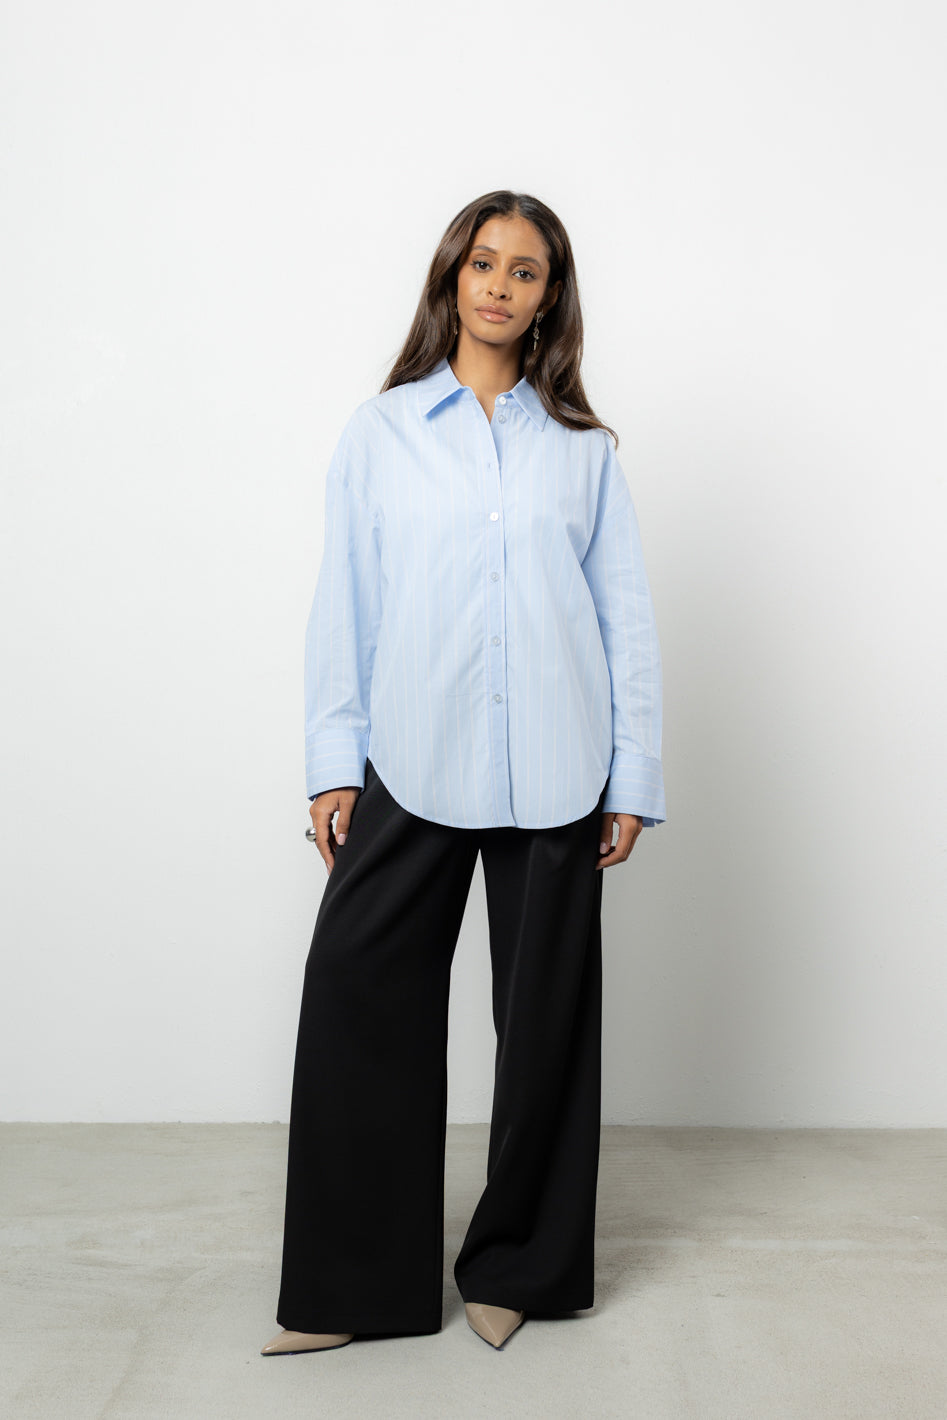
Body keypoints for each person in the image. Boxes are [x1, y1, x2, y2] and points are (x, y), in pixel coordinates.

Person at [261, 189, 666, 1357]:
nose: (498, 285)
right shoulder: (381, 433)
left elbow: (623, 619)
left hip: (559, 767)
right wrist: (332, 762)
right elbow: (345, 603)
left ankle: (519, 1269)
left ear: (549, 297)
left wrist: (631, 776)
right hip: (410, 755)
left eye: (523, 270)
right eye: (481, 263)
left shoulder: (582, 453)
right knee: (358, 999)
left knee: (544, 1030)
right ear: (450, 277)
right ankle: (351, 1288)